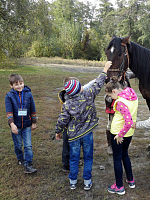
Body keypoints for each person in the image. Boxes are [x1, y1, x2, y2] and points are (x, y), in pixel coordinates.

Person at [55, 61, 112, 191]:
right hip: (87, 135)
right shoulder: (88, 95)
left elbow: (62, 119)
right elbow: (98, 83)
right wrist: (105, 69)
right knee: (88, 158)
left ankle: (73, 182)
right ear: (80, 88)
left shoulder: (67, 104)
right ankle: (87, 182)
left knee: (74, 159)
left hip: (73, 137)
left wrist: (58, 131)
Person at [105, 76, 138, 195]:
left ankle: (119, 186)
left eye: (110, 95)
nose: (111, 98)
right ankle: (130, 180)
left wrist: (119, 135)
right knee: (125, 155)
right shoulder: (132, 96)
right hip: (129, 133)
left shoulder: (120, 102)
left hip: (119, 134)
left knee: (117, 158)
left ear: (114, 91)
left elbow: (128, 121)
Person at [56, 77, 96, 172]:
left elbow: (88, 85)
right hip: (69, 128)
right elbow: (63, 118)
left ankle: (74, 161)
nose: (82, 87)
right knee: (67, 146)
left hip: (73, 127)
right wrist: (59, 130)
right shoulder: (69, 99)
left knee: (73, 146)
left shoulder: (70, 93)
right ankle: (66, 165)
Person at [5, 74, 37, 174]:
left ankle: (28, 164)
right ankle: (20, 158)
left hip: (27, 125)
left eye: (21, 83)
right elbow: (9, 112)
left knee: (28, 146)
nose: (19, 86)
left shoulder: (28, 94)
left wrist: (34, 121)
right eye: (16, 84)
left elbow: (33, 108)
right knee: (18, 145)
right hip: (16, 126)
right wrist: (12, 124)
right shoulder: (9, 96)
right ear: (11, 86)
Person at [105, 71, 135, 155]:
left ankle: (123, 142)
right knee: (110, 125)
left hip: (124, 106)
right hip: (114, 107)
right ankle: (110, 145)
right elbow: (108, 96)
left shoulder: (125, 77)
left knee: (125, 123)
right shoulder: (109, 76)